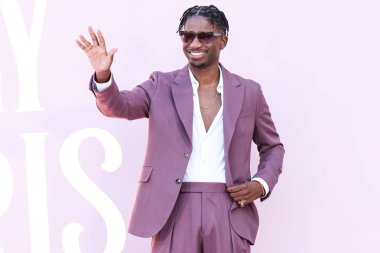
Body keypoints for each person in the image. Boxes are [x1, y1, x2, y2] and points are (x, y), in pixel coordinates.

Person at [76, 5, 284, 253]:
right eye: (187, 35)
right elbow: (118, 106)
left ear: (223, 41)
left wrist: (261, 184)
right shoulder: (160, 85)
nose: (194, 43)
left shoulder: (249, 92)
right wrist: (103, 74)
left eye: (205, 36)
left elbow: (272, 147)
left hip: (228, 208)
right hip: (173, 206)